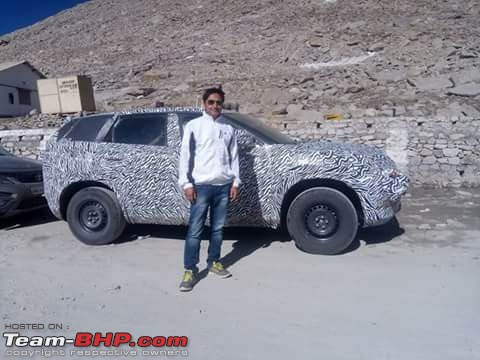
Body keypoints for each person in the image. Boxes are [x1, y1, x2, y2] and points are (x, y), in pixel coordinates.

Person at [178, 87, 241, 291]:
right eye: (211, 102)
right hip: (201, 186)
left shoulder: (229, 128)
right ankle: (190, 269)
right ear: (204, 104)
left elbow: (234, 157)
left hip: (223, 187)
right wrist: (186, 184)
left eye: (219, 102)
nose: (215, 106)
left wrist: (235, 182)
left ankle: (213, 261)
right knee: (195, 230)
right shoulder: (193, 126)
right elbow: (185, 157)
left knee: (217, 229)